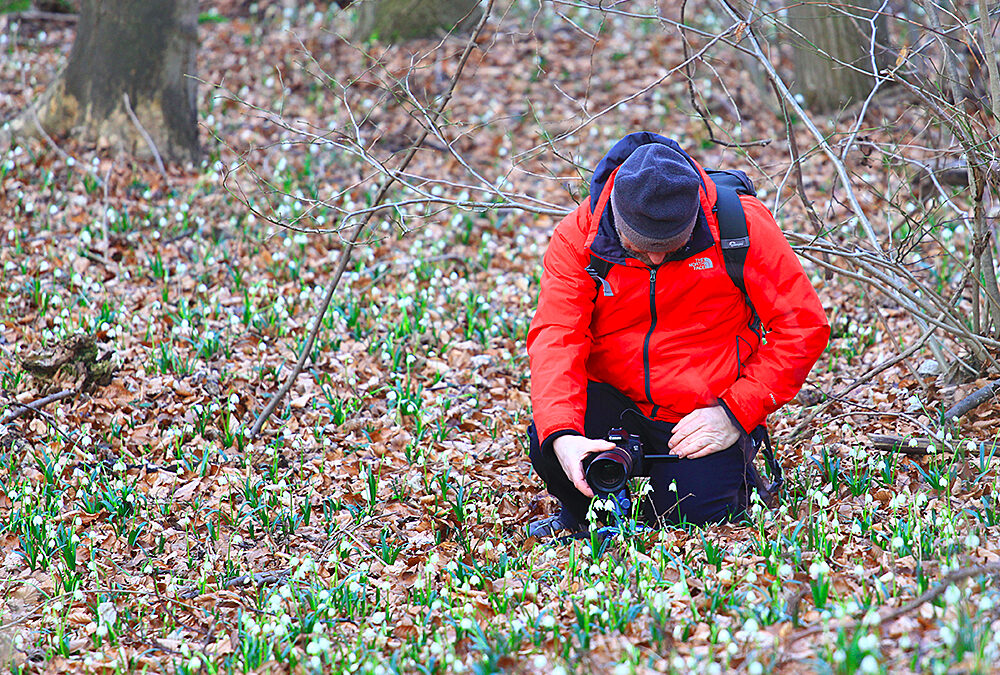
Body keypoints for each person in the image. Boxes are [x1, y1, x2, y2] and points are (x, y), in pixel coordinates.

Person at [526, 132, 830, 536]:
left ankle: (731, 473)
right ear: (618, 216)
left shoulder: (741, 225)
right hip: (612, 399)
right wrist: (563, 435)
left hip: (701, 409)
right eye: (642, 247)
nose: (655, 258)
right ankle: (583, 513)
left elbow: (802, 326)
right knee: (548, 443)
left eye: (671, 246)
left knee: (693, 519)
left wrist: (735, 413)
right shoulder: (580, 235)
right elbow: (556, 337)